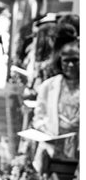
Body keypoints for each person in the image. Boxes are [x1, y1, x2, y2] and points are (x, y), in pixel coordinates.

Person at [31, 30, 79, 171]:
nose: (71, 65)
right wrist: (48, 130)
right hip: (52, 146)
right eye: (66, 61)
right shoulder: (49, 85)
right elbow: (38, 116)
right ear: (60, 61)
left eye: (75, 60)